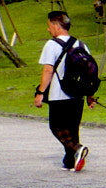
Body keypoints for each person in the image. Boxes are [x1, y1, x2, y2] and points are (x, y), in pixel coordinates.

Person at [34, 10, 87, 171]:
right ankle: (70, 162)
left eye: (50, 26)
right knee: (72, 128)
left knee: (56, 127)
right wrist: (90, 94)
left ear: (57, 26)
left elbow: (48, 71)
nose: (48, 30)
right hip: (78, 95)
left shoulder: (52, 44)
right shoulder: (81, 44)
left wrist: (41, 92)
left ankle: (77, 149)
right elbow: (88, 71)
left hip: (59, 94)